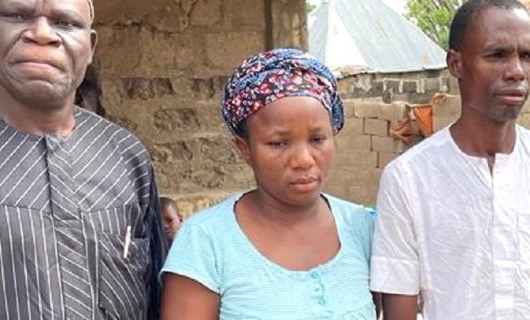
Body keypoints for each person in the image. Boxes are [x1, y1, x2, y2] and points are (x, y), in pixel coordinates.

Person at [0, 0, 166, 318]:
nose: (41, 34)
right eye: (18, 16)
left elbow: (154, 299)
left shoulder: (125, 156)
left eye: (64, 23)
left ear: (89, 46)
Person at [371, 1, 530, 319]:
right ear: (456, 64)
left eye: (528, 56)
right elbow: (401, 313)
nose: (517, 71)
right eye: (497, 55)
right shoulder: (408, 178)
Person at [160, 48, 377, 319]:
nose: (303, 159)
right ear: (245, 149)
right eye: (279, 143)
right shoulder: (205, 241)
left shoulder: (362, 228)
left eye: (317, 139)